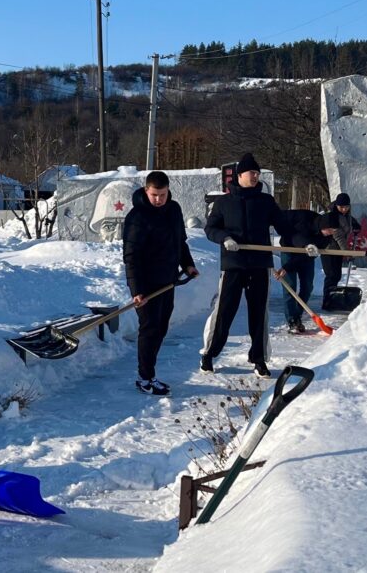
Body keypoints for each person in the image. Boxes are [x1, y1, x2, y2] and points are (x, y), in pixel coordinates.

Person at [202, 153, 291, 377]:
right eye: (251, 173)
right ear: (240, 175)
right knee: (224, 312)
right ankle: (209, 354)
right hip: (233, 265)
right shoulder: (223, 202)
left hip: (260, 265)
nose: (255, 176)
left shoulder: (266, 201)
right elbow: (210, 229)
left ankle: (259, 359)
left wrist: (306, 241)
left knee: (259, 314)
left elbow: (284, 227)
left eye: (257, 173)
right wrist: (225, 238)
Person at [122, 171, 199, 396]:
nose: (158, 199)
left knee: (161, 329)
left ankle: (149, 374)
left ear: (168, 191)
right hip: (147, 286)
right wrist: (137, 290)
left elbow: (179, 242)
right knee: (150, 330)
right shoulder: (137, 217)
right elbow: (131, 257)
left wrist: (188, 265)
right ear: (146, 191)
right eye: (154, 194)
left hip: (168, 281)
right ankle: (144, 378)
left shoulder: (173, 210)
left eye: (162, 194)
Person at [274, 209, 336, 333]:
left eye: (334, 231)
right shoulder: (304, 220)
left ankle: (297, 316)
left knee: (307, 286)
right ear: (324, 226)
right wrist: (287, 267)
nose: (331, 233)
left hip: (306, 256)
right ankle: (292, 320)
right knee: (290, 286)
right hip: (289, 249)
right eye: (330, 230)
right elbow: (296, 236)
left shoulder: (326, 238)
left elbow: (309, 255)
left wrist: (290, 266)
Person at [317, 193, 361, 303]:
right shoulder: (332, 216)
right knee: (331, 275)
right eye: (341, 207)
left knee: (336, 275)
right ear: (336, 205)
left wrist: (355, 224)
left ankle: (332, 298)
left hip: (337, 250)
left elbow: (349, 221)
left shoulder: (346, 215)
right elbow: (338, 236)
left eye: (346, 207)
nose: (344, 209)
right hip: (328, 249)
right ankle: (327, 299)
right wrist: (346, 252)